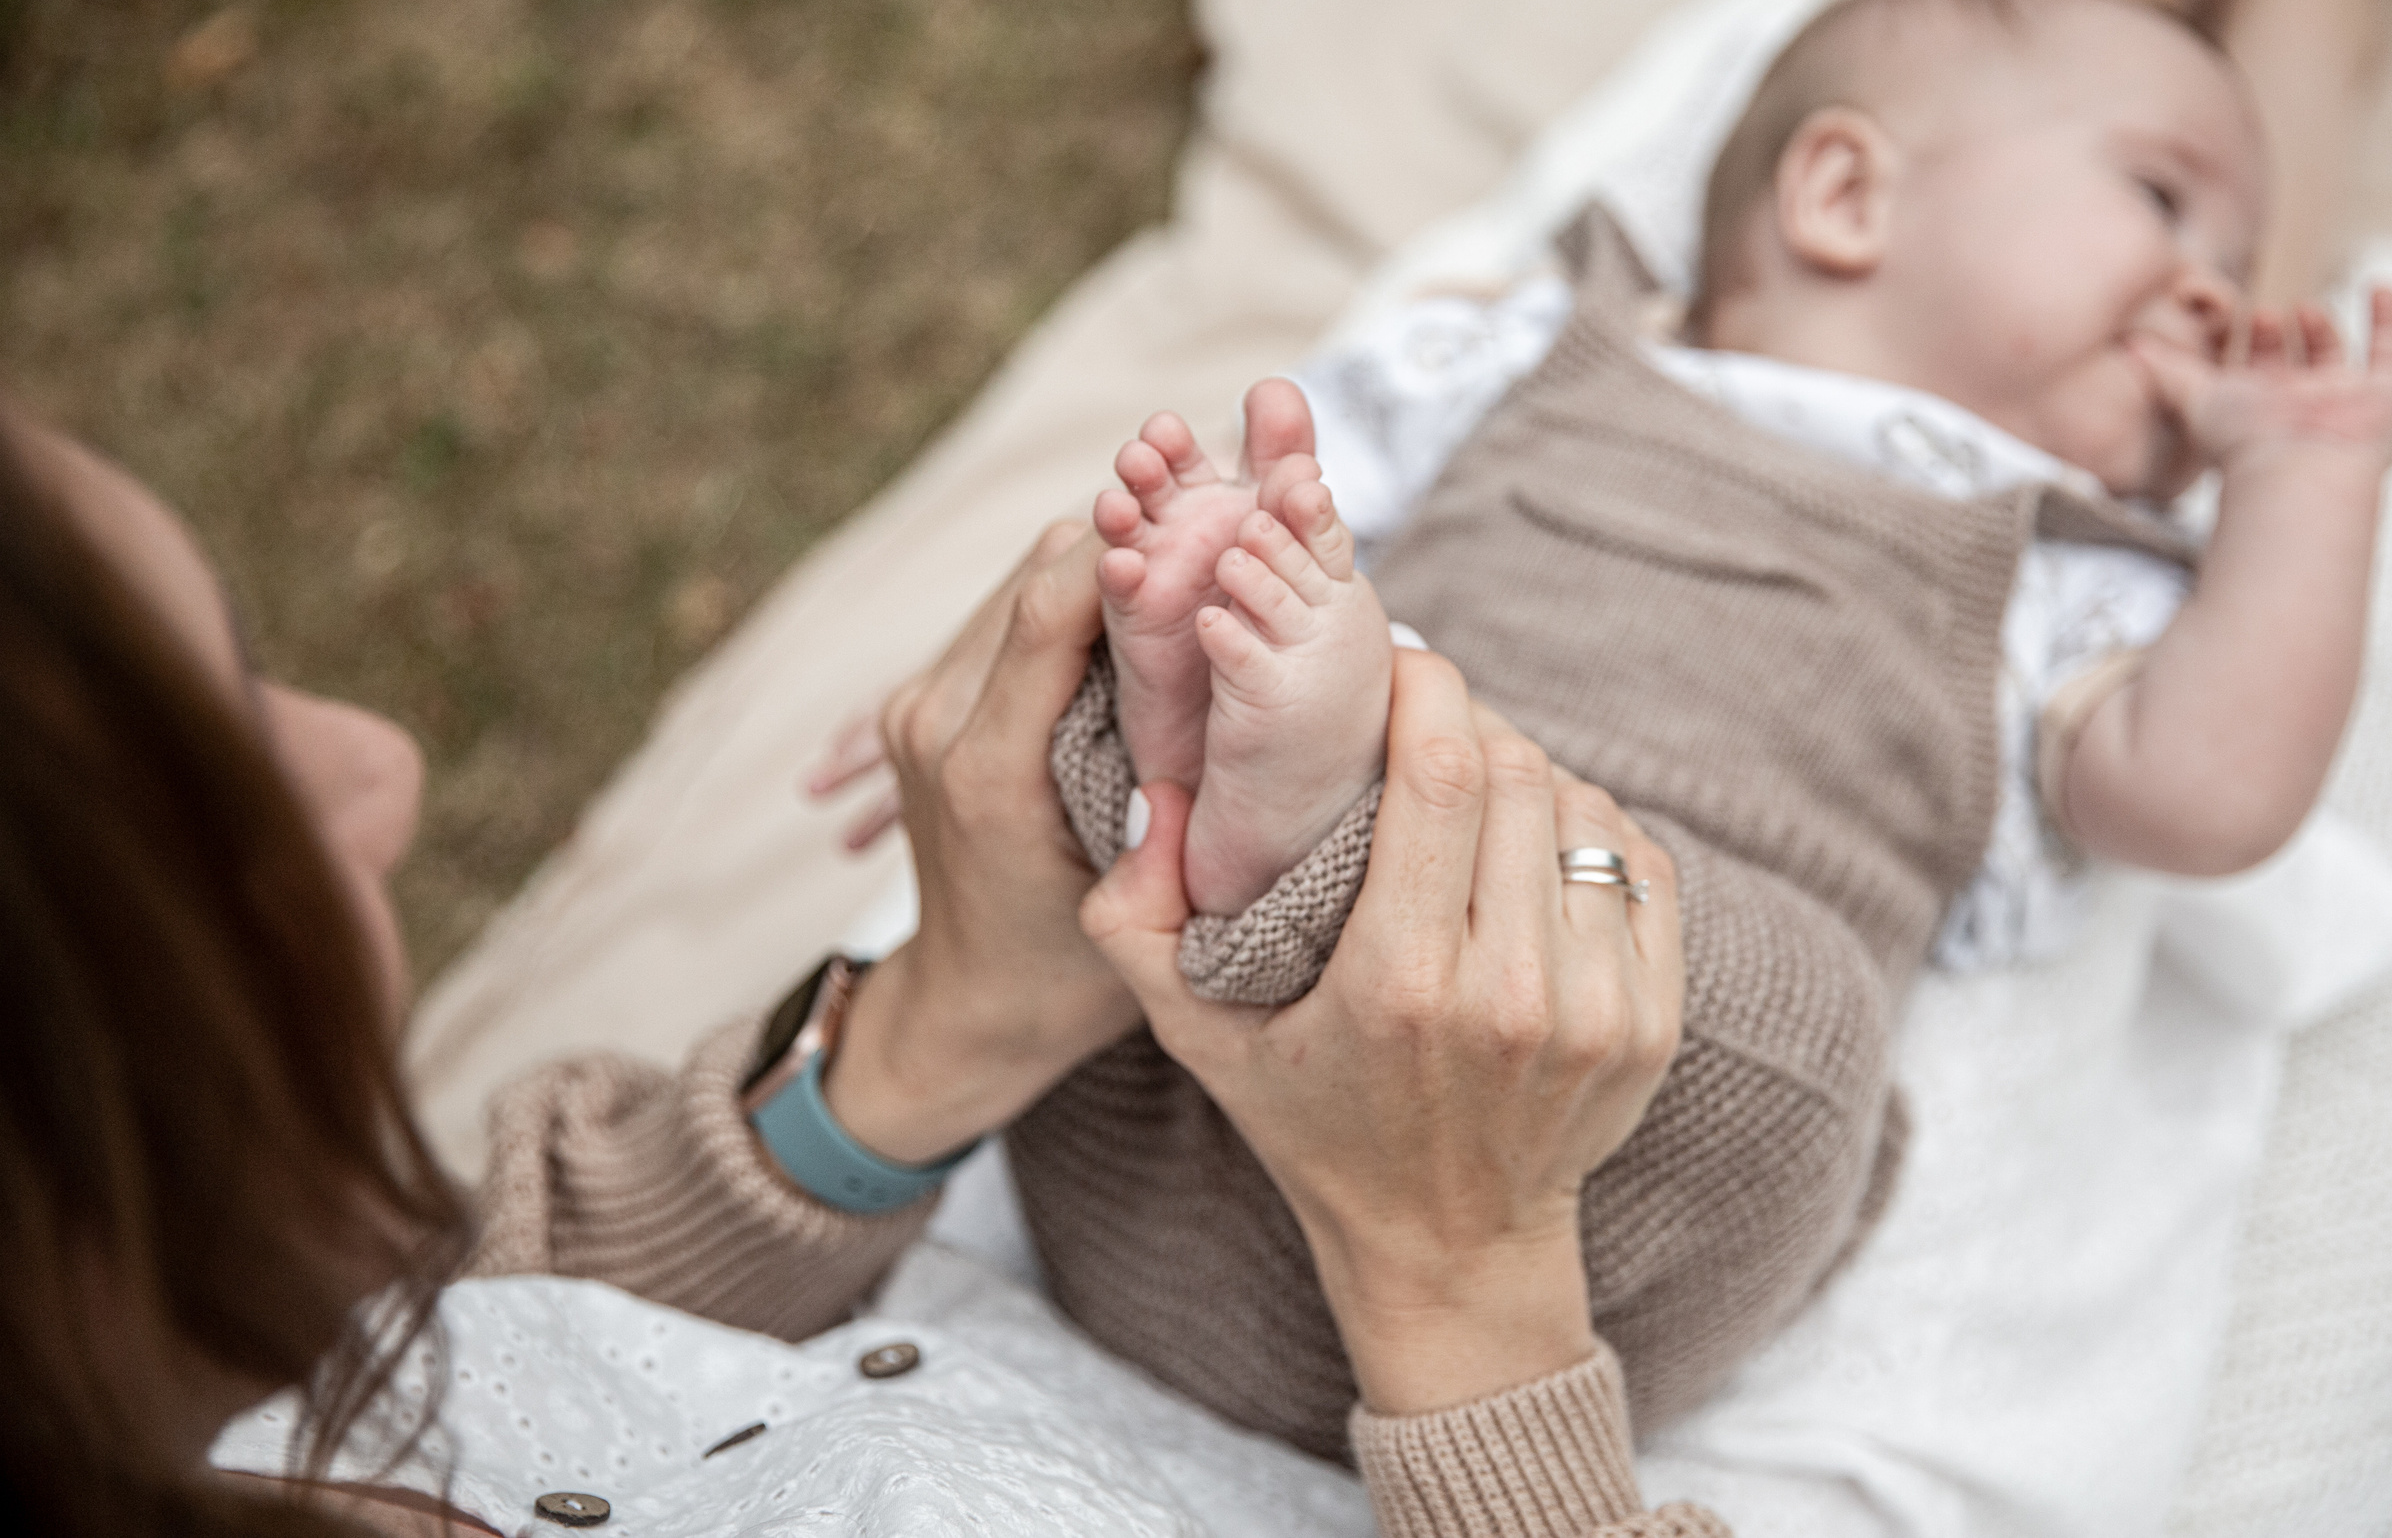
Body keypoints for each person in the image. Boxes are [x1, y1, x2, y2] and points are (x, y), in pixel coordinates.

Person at [990, 0, 2392, 1461]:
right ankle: (1317, 810)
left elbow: (2209, 797)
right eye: (2166, 206)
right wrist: (1065, 654)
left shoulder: (2060, 565)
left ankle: (1326, 806)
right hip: (1165, 1095)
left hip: (1592, 1215)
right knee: (1262, 629)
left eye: (2238, 271)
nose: (2212, 300)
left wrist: (2308, 479)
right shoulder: (1544, 343)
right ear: (1840, 200)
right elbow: (1254, 507)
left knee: (1773, 993)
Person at [0, 411, 1744, 1537]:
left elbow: (485, 1340)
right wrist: (1467, 1286)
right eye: (226, 750)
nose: (380, 763)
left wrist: (915, 1050)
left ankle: (1252, 823)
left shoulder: (130, 1392)